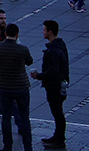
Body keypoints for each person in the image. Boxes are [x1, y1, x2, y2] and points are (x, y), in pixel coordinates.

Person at [0, 23, 35, 151]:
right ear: (17, 34)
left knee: (6, 118)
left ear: (5, 34)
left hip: (3, 86)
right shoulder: (22, 49)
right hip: (21, 86)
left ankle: (7, 146)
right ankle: (28, 147)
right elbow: (29, 61)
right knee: (25, 117)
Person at [33, 20, 68, 150]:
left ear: (50, 32)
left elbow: (53, 72)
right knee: (58, 112)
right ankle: (57, 136)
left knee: (57, 112)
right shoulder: (60, 46)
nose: (43, 32)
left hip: (54, 86)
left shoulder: (53, 50)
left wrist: (39, 76)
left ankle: (59, 139)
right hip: (59, 85)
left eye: (44, 30)